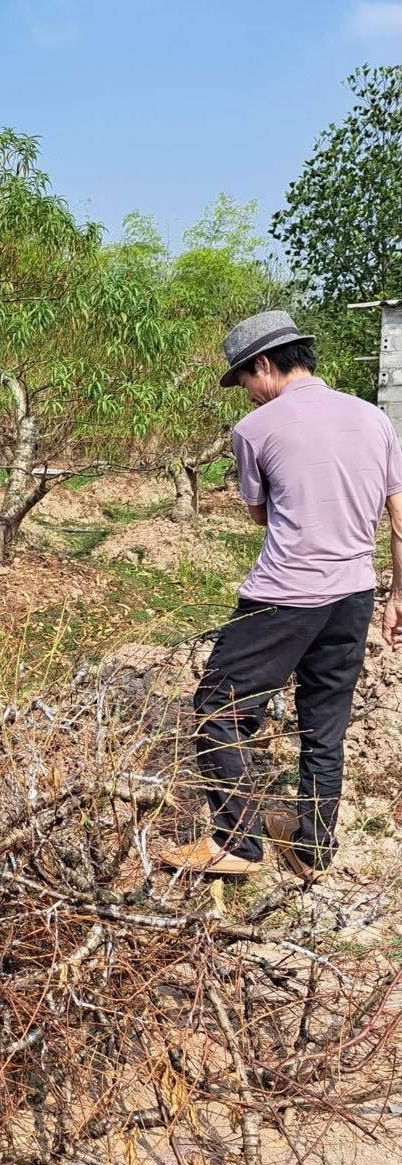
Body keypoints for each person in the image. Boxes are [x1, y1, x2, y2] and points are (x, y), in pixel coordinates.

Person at [161, 310, 402, 881]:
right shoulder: (374, 418)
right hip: (355, 593)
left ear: (264, 365)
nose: (247, 397)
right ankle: (313, 851)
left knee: (217, 708)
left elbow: (261, 515)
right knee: (324, 724)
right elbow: (400, 517)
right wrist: (399, 594)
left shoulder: (256, 430)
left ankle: (236, 844)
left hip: (285, 595)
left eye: (245, 382)